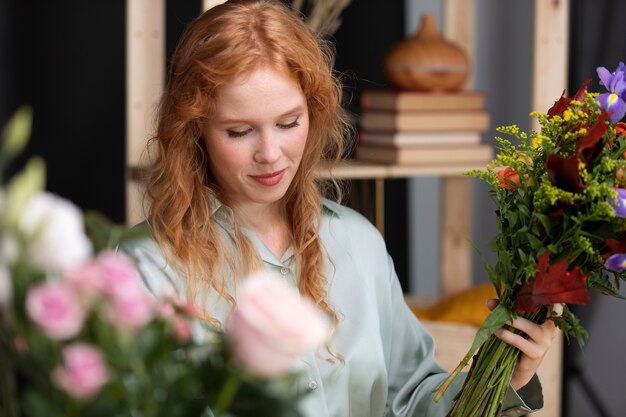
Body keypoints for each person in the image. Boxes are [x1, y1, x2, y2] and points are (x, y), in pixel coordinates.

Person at [119, 1, 561, 416]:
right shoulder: (146, 265)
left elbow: (415, 398)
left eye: (289, 123)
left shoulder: (358, 241)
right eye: (239, 131)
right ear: (195, 130)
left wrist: (506, 378)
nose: (271, 153)